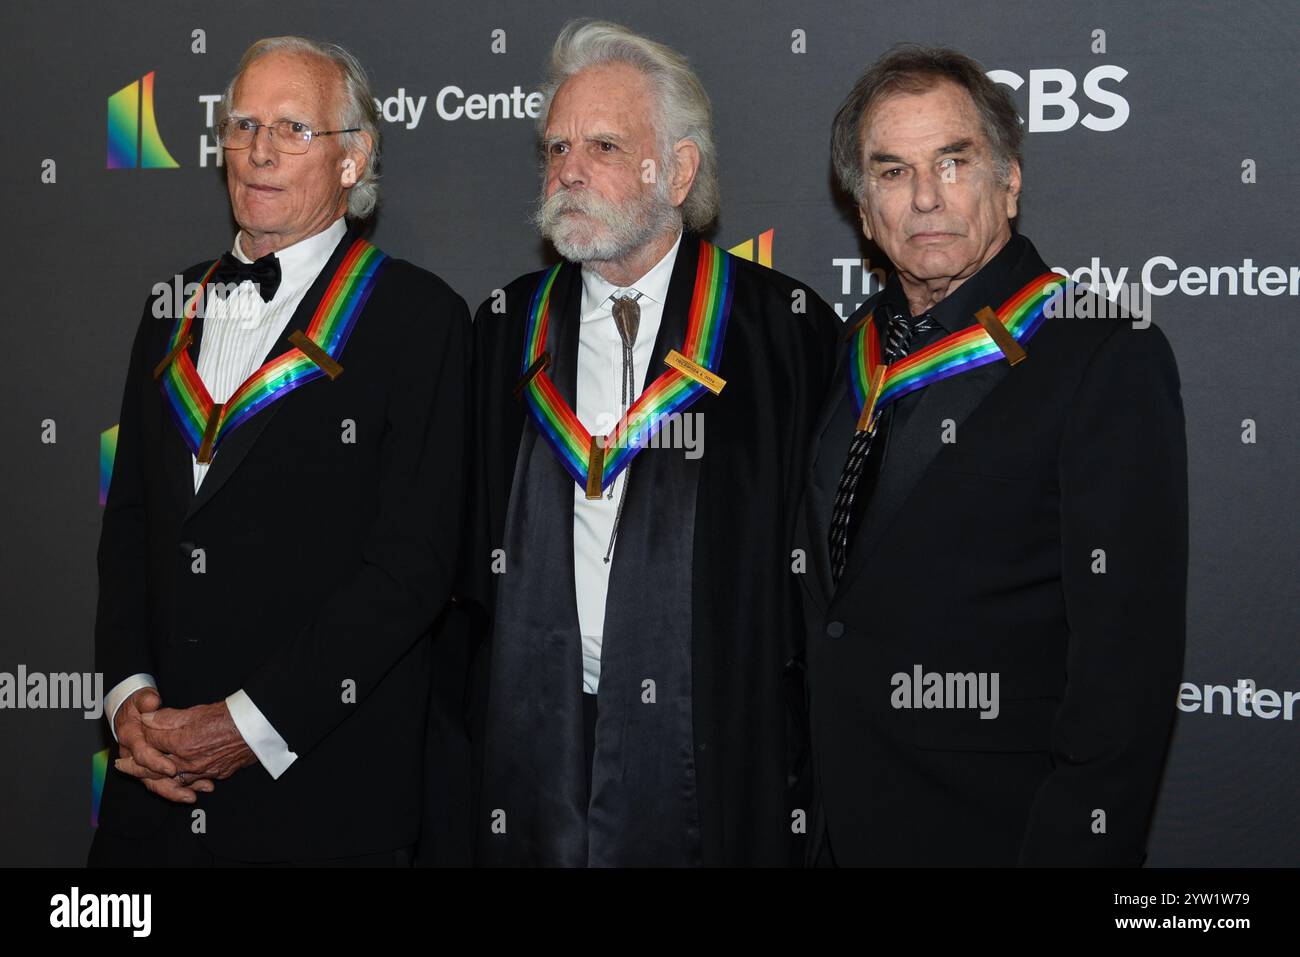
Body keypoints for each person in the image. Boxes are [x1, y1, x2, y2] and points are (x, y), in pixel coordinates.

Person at [797, 45, 1188, 866]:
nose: (927, 198)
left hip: (996, 834)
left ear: (1008, 181)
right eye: (893, 172)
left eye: (953, 161)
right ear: (864, 212)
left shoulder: (1102, 354)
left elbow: (1126, 671)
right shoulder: (846, 351)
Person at [462, 19, 839, 866]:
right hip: (538, 737)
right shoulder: (500, 333)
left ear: (676, 171)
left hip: (718, 745)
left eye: (601, 144)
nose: (567, 171)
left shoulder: (785, 334)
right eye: (556, 148)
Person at [89, 35, 469, 866]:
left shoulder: (420, 319)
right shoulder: (170, 306)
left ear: (352, 160)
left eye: (294, 128)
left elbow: (412, 570)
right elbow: (131, 530)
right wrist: (127, 701)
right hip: (148, 798)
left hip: (321, 795)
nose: (259, 151)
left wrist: (243, 726)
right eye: (243, 125)